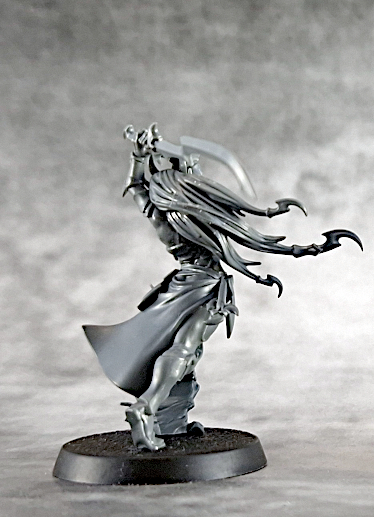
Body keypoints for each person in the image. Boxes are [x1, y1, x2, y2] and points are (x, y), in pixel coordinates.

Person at [84, 124, 359, 451]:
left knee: (183, 353)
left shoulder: (166, 221)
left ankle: (171, 422)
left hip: (181, 287)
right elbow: (245, 234)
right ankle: (146, 408)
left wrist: (140, 157)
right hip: (206, 290)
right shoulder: (201, 222)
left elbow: (137, 186)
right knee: (184, 349)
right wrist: (306, 249)